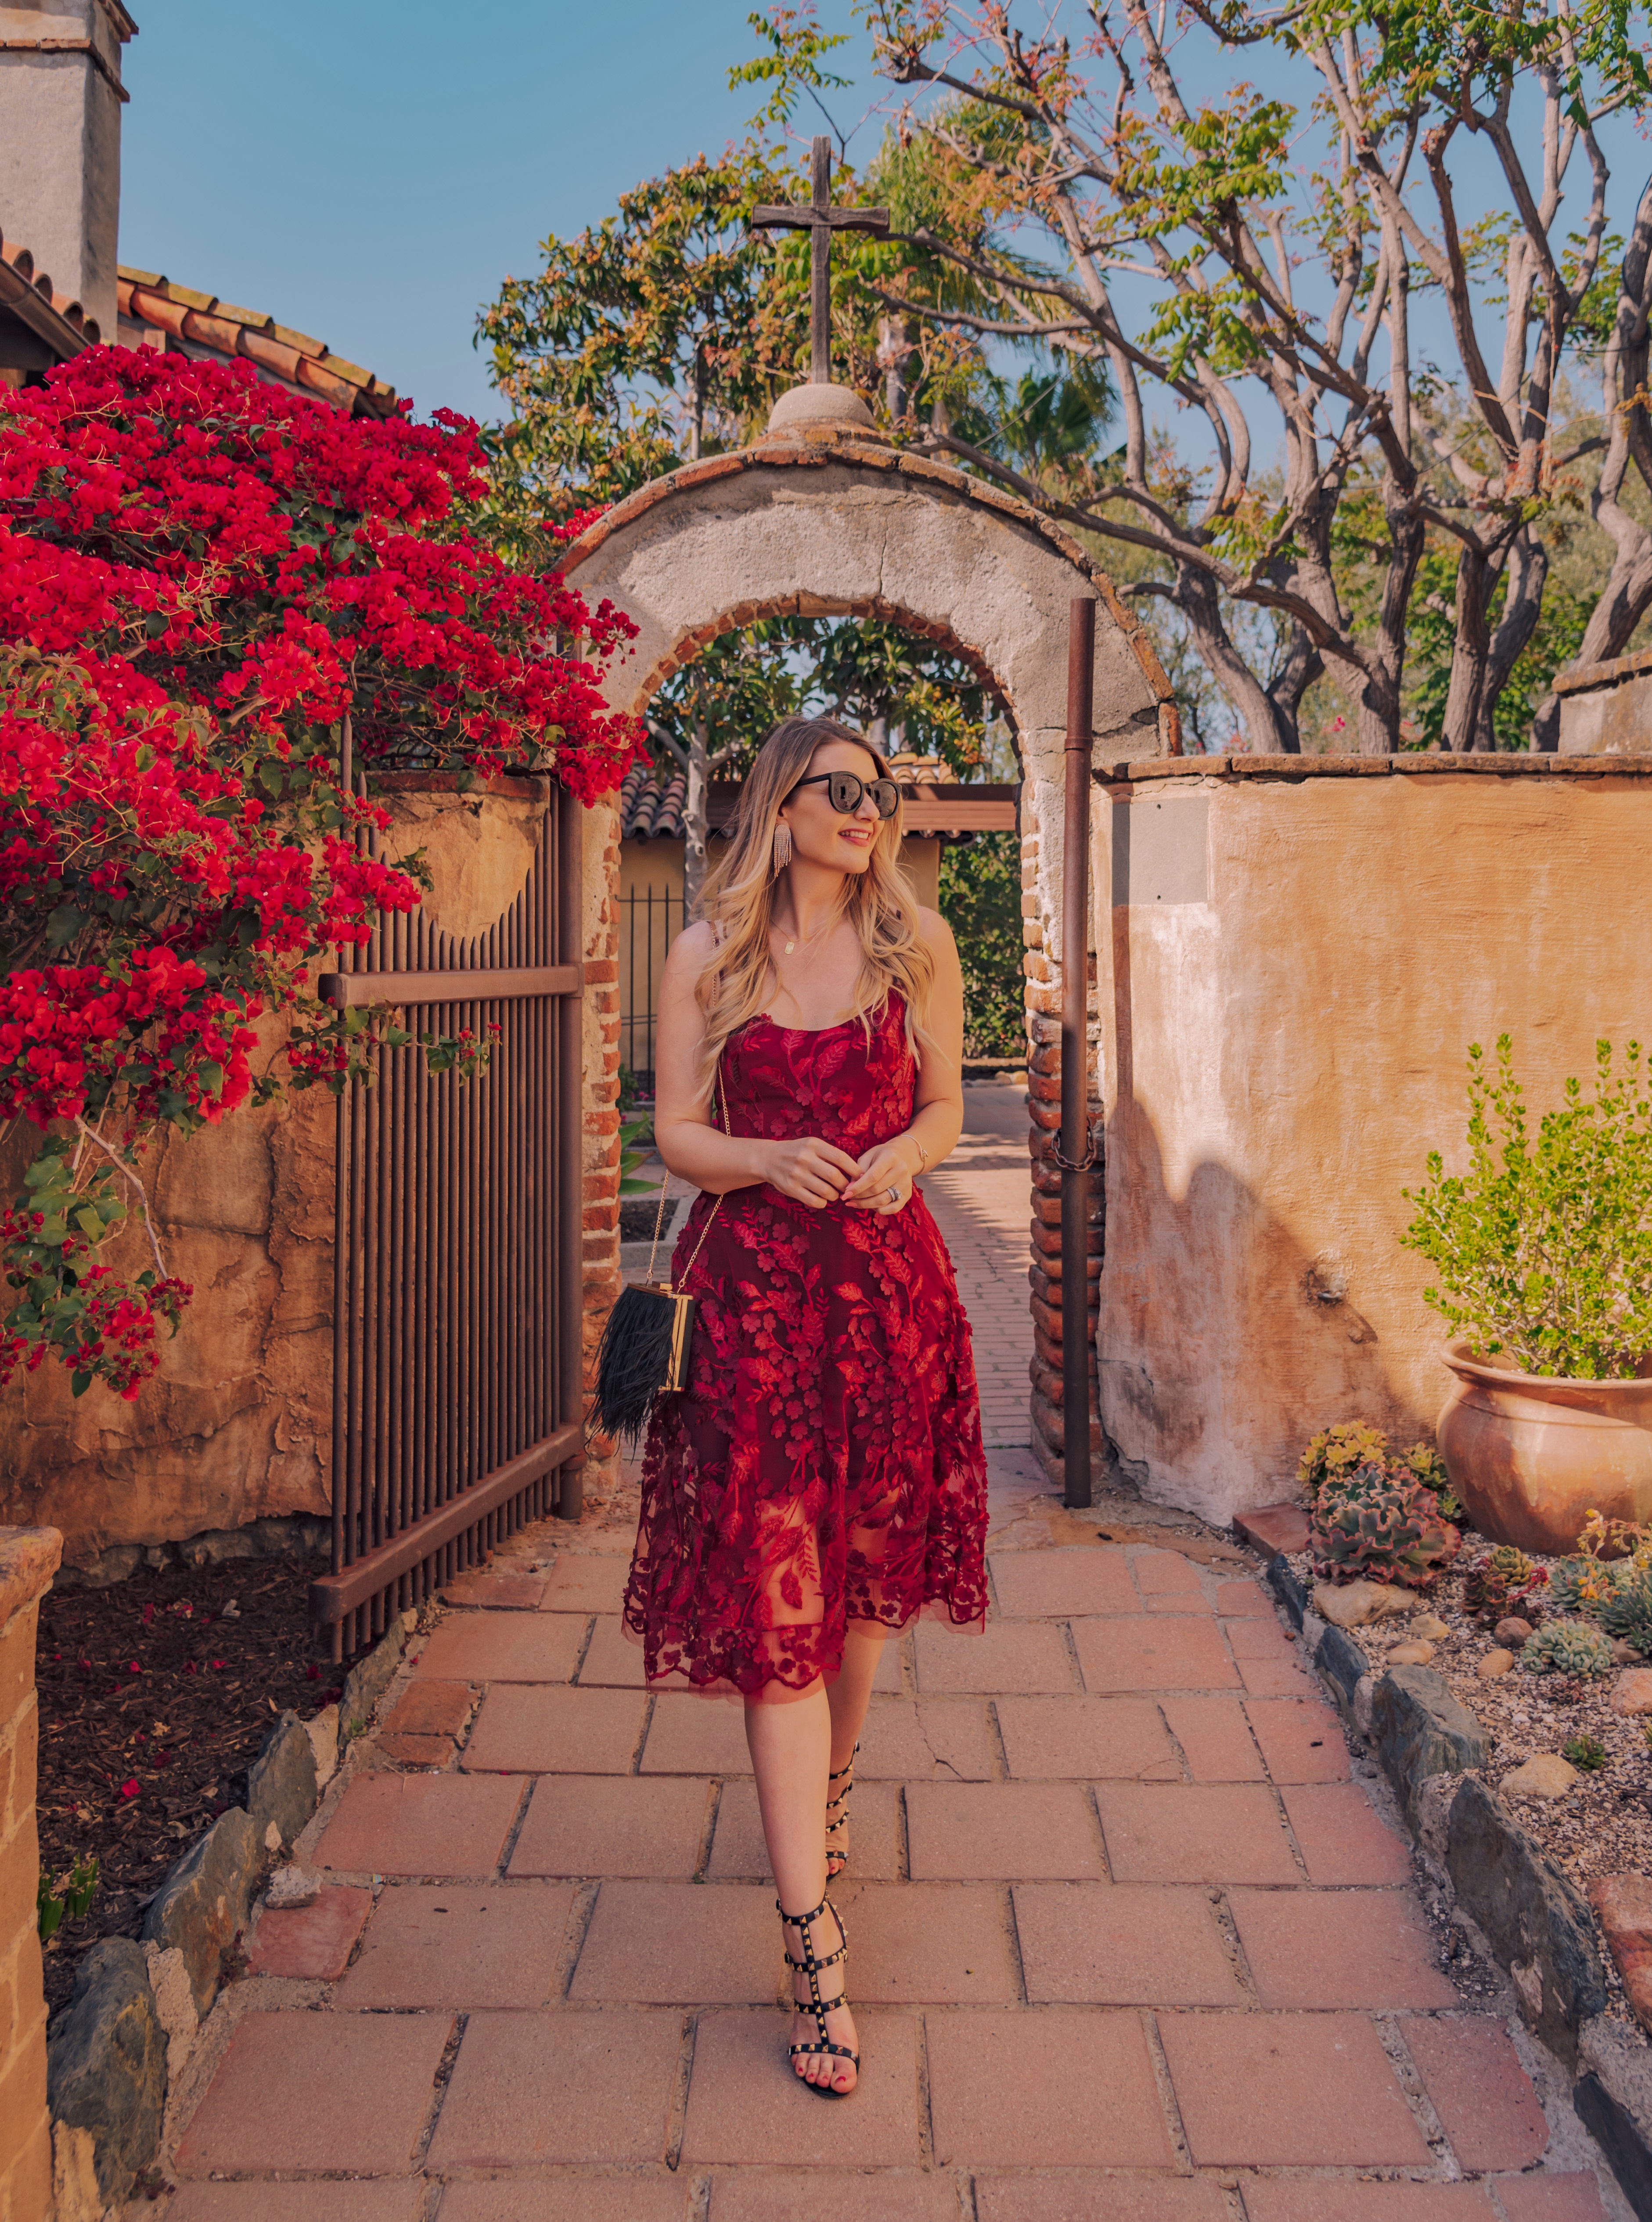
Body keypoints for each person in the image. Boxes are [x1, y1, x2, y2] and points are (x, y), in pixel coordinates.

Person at [622, 713, 990, 2099]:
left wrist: (903, 1148)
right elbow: (674, 1131)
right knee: (784, 1612)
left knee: (868, 1601)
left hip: (891, 1311)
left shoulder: (918, 946)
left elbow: (951, 1105)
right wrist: (769, 1158)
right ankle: (811, 1942)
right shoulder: (705, 953)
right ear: (779, 804)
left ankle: (830, 1794)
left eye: (880, 795)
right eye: (842, 790)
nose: (868, 811)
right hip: (757, 1327)